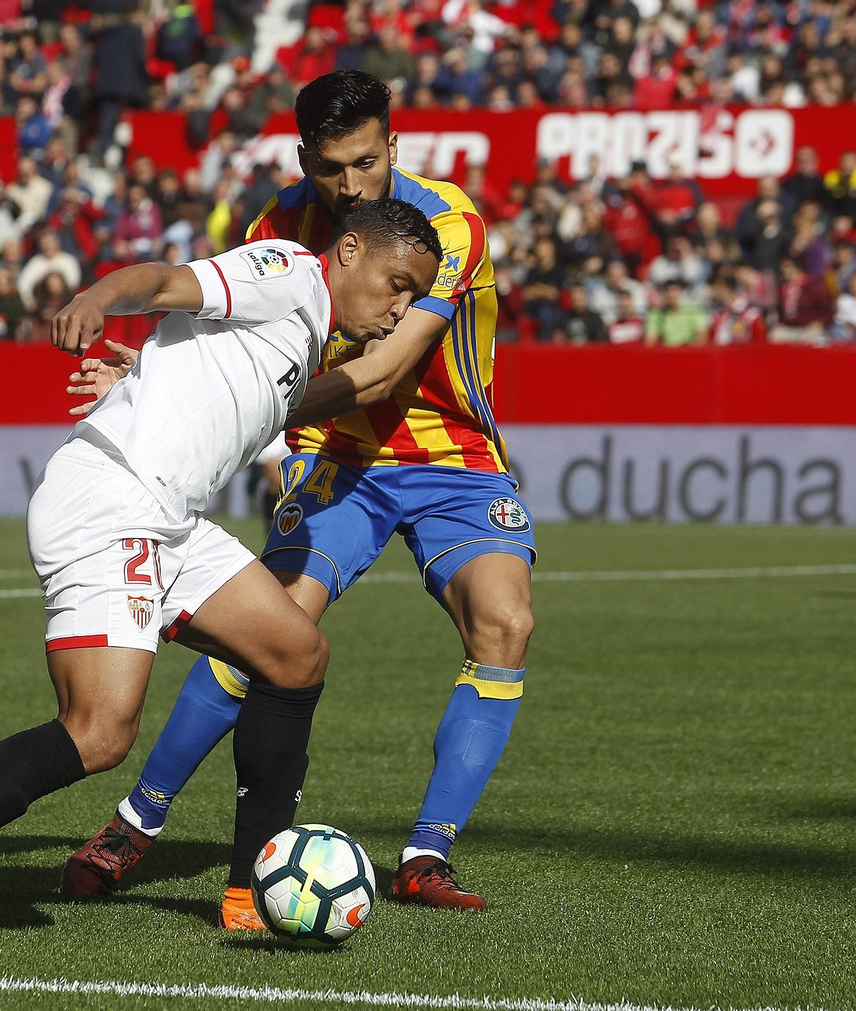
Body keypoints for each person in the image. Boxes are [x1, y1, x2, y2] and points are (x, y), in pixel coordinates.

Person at [0, 198, 443, 954]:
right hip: (111, 500)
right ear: (349, 251)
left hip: (168, 518)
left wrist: (139, 372)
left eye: (414, 295)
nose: (401, 307)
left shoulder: (309, 333)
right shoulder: (288, 272)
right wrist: (97, 298)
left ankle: (249, 892)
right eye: (397, 284)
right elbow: (165, 281)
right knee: (98, 731)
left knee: (296, 655)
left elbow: (257, 397)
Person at [62, 70, 535, 924]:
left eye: (366, 162)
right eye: (329, 168)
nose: (349, 185)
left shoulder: (447, 223)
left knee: (505, 623)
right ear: (303, 157)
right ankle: (136, 822)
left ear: (393, 145)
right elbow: (224, 346)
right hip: (336, 453)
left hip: (454, 457)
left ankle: (426, 854)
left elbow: (383, 370)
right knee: (270, 627)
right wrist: (152, 380)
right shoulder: (277, 226)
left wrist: (237, 409)